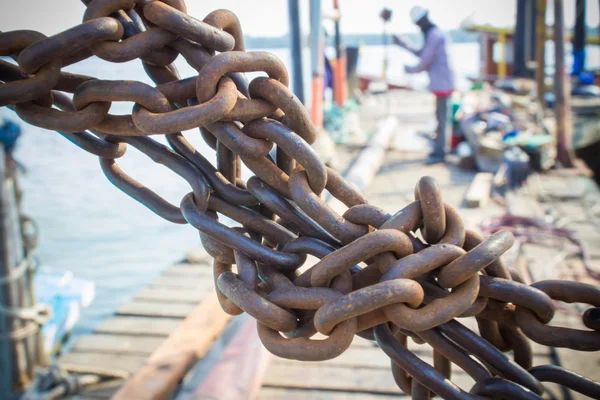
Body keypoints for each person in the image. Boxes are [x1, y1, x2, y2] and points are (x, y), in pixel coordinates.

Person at [393, 6, 455, 164]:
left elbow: (425, 61)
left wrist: (410, 69)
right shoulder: (434, 34)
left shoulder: (434, 35)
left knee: (442, 119)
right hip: (442, 84)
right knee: (440, 118)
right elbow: (423, 53)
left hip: (443, 84)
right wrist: (403, 43)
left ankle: (440, 154)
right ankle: (439, 150)